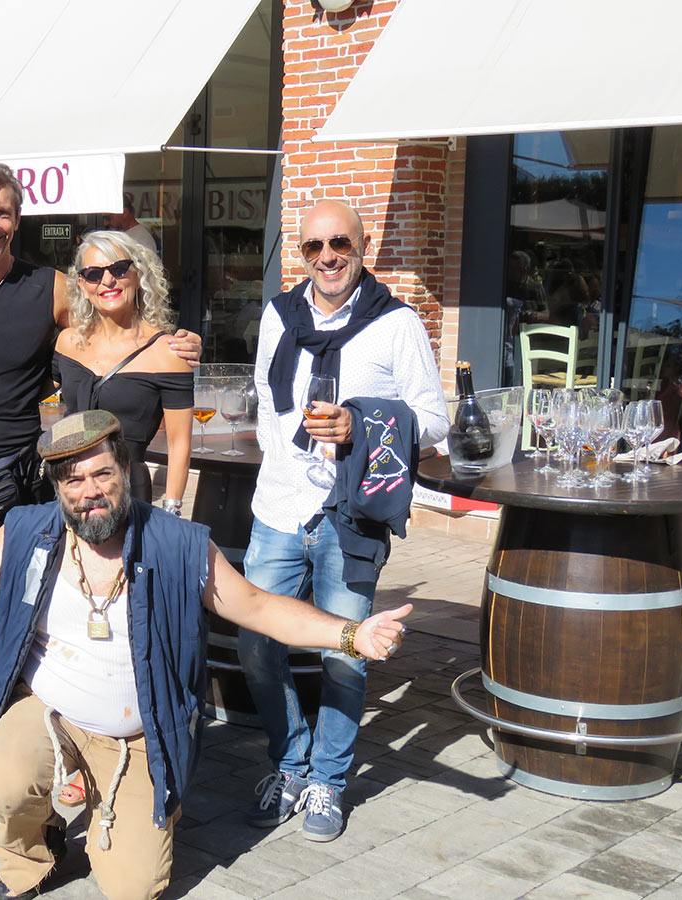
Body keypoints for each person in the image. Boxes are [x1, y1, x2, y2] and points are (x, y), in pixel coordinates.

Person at [0, 410, 410, 900]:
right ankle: (31, 856)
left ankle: (109, 804)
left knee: (135, 888)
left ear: (127, 471)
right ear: (57, 488)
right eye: (73, 480)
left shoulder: (177, 545)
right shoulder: (31, 532)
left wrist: (351, 635)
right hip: (52, 716)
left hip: (139, 738)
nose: (89, 492)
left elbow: (257, 607)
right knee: (6, 779)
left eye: (101, 475)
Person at [0, 160, 202, 788]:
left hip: (23, 479)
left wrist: (177, 342)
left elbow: (107, 329)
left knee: (28, 611)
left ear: (18, 219)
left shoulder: (52, 288)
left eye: (2, 213)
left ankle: (19, 731)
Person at [240, 199, 448, 842]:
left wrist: (361, 425)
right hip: (278, 507)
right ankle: (290, 763)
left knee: (346, 653)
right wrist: (281, 463)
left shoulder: (396, 324)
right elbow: (267, 400)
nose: (327, 257)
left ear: (364, 247)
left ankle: (327, 780)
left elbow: (434, 421)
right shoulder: (279, 316)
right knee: (256, 645)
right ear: (299, 253)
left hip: (350, 515)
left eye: (340, 244)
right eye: (314, 246)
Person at [54, 230, 192, 509]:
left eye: (119, 269)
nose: (107, 281)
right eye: (94, 274)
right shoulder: (68, 342)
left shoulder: (169, 353)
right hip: (70, 489)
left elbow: (179, 444)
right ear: (82, 286)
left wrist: (171, 509)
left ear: (138, 275)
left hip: (128, 495)